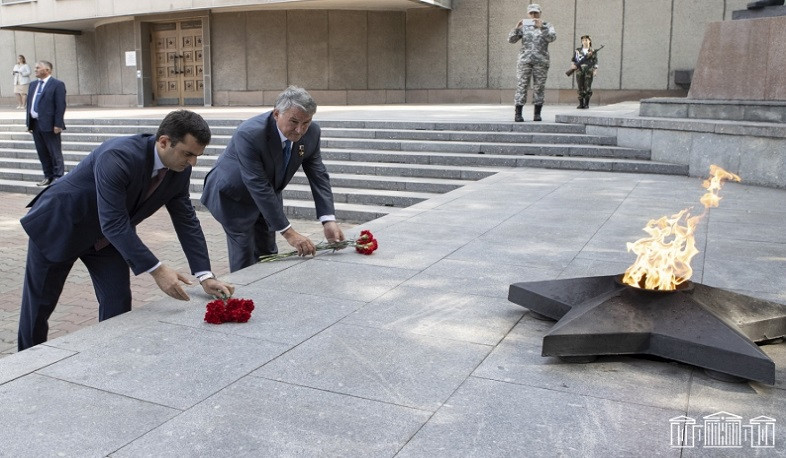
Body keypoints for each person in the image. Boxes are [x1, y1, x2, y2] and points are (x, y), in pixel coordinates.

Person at [17, 109, 235, 351]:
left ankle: (111, 355)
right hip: (60, 226)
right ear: (164, 142)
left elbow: (186, 219)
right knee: (38, 308)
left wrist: (205, 275)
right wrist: (158, 269)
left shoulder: (179, 170)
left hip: (105, 239)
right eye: (188, 154)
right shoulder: (118, 155)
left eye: (197, 156)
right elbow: (113, 221)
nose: (192, 162)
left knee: (118, 299)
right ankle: (25, 364)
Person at [201, 86, 345, 272]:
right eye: (294, 121)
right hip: (233, 196)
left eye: (306, 122)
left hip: (268, 193)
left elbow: (318, 174)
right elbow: (256, 183)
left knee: (268, 252)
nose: (300, 130)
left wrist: (328, 220)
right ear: (277, 114)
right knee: (244, 256)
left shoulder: (312, 133)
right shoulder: (249, 133)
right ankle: (245, 297)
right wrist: (289, 233)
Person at [508, 3, 556, 122]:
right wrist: (516, 28)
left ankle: (537, 114)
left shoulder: (547, 25)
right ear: (528, 14)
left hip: (541, 61)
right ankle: (518, 113)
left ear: (540, 13)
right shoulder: (524, 26)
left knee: (539, 87)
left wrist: (542, 28)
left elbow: (552, 38)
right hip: (525, 61)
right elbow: (511, 40)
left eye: (536, 12)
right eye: (531, 13)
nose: (534, 15)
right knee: (521, 86)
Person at [26, 60, 66, 187]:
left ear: (47, 70)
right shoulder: (32, 85)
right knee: (42, 152)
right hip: (36, 125)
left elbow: (60, 106)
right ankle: (47, 176)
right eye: (35, 68)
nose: (35, 70)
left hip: (50, 125)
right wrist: (29, 123)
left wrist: (58, 124)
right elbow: (29, 105)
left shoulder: (57, 84)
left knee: (55, 152)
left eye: (38, 68)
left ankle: (58, 177)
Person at [570, 35, 598, 109]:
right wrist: (572, 65)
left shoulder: (592, 51)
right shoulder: (578, 50)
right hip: (579, 70)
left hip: (589, 70)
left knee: (587, 87)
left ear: (589, 41)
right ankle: (581, 103)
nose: (585, 42)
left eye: (586, 40)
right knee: (580, 87)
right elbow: (573, 59)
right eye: (583, 40)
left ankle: (586, 104)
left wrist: (595, 70)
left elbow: (595, 62)